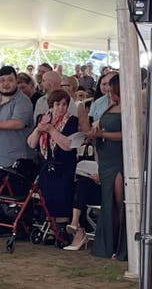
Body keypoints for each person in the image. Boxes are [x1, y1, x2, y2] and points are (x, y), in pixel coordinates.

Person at [28, 89, 81, 248]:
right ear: (51, 105)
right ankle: (50, 229)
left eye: (64, 104)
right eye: (58, 104)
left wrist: (51, 130)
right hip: (46, 164)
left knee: (62, 197)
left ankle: (62, 230)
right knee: (48, 197)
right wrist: (39, 129)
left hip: (64, 165)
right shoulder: (42, 119)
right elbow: (31, 143)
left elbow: (67, 145)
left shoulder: (71, 121)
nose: (61, 108)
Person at [87, 75, 126, 260]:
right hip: (106, 158)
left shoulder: (129, 109)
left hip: (119, 159)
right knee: (108, 200)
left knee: (118, 200)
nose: (110, 94)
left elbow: (127, 134)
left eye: (112, 91)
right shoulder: (110, 107)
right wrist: (95, 134)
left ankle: (119, 242)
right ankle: (107, 242)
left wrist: (104, 134)